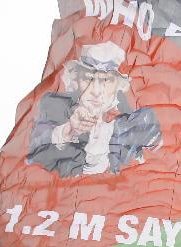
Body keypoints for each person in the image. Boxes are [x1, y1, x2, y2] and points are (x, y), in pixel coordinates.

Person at [27, 41, 161, 177]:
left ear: (119, 85)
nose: (96, 91)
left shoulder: (137, 123)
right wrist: (67, 131)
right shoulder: (54, 106)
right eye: (87, 78)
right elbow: (31, 151)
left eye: (106, 80)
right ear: (75, 80)